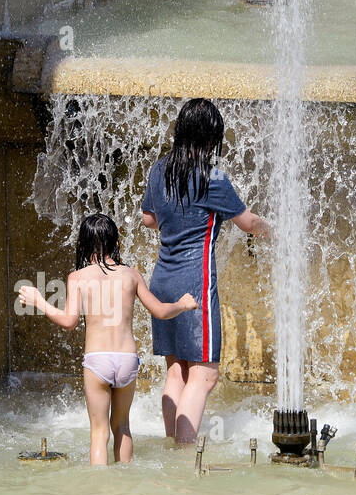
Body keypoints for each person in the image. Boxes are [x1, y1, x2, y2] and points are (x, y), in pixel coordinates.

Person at [17, 213, 197, 465]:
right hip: (126, 360)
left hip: (97, 360)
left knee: (99, 433)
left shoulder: (77, 278)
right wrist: (182, 304)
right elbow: (160, 311)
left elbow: (69, 322)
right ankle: (125, 487)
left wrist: (39, 301)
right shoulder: (131, 275)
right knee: (122, 427)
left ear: (81, 246)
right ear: (117, 244)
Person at [141, 98, 270, 443]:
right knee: (204, 377)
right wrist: (271, 228)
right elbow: (247, 223)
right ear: (211, 137)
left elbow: (148, 219)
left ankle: (173, 449)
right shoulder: (212, 177)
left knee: (176, 373)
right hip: (194, 286)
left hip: (162, 282)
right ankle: (184, 456)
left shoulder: (158, 169)